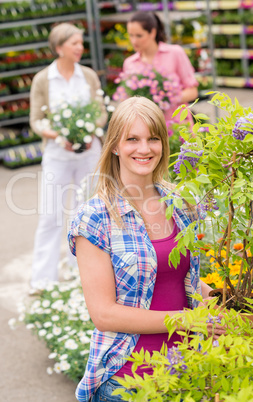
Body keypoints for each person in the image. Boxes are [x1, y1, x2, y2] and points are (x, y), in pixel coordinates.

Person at [68, 96, 224, 402]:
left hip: (188, 372)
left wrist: (219, 299)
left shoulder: (178, 202)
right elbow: (105, 314)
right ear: (114, 145)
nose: (144, 149)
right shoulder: (96, 217)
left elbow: (174, 277)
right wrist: (188, 320)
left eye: (153, 138)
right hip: (128, 383)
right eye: (132, 139)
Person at [29, 22, 107, 292]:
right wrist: (56, 135)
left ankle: (83, 275)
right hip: (57, 155)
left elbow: (101, 112)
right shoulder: (43, 79)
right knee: (51, 214)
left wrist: (89, 131)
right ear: (59, 46)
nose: (80, 48)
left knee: (87, 213)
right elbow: (36, 121)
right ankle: (42, 279)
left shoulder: (87, 76)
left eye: (81, 43)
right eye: (74, 43)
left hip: (89, 152)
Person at [123, 11, 199, 124]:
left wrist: (166, 98)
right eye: (131, 35)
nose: (134, 41)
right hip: (148, 128)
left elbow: (193, 92)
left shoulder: (175, 53)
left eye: (139, 35)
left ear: (152, 32)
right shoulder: (130, 63)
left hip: (177, 126)